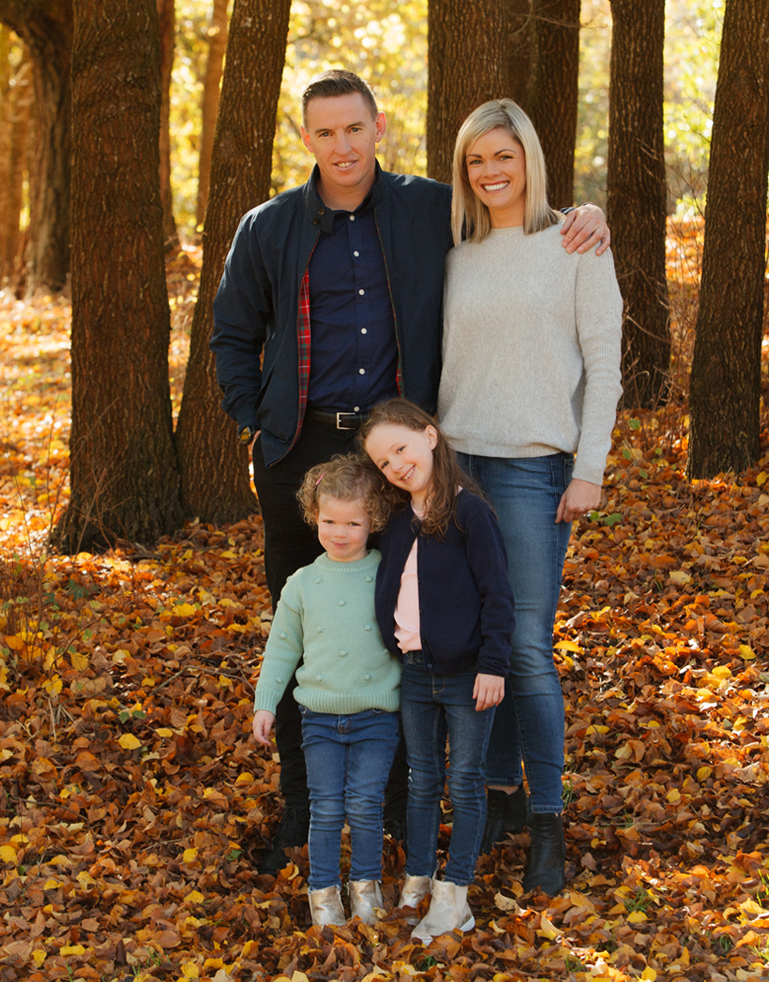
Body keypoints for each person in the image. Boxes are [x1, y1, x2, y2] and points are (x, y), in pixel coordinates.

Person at [210, 68, 609, 874]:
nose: (341, 145)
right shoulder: (269, 227)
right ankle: (301, 803)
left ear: (378, 127)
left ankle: (403, 800)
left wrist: (586, 217)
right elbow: (230, 336)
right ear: (306, 138)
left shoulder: (429, 210)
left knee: (405, 625)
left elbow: (513, 214)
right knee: (309, 624)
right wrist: (259, 420)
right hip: (300, 455)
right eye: (324, 132)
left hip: (399, 461)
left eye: (354, 129)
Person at [438, 99, 623, 896]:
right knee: (480, 642)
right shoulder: (452, 250)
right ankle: (501, 800)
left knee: (525, 649)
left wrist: (591, 467)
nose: (491, 172)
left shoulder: (575, 242)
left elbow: (606, 365)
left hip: (532, 468)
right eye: (476, 160)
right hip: (456, 467)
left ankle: (548, 819)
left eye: (503, 156)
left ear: (530, 158)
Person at [360, 398, 513, 944]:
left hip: (469, 673)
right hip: (416, 674)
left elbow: (498, 594)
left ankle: (455, 895)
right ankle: (419, 882)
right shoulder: (399, 525)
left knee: (465, 781)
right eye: (383, 462)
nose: (396, 465)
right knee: (421, 780)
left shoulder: (469, 512)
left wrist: (494, 664)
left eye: (400, 448)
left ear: (430, 436)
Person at [250, 455, 400, 928]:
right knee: (326, 806)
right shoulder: (301, 584)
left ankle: (365, 885)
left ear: (373, 520)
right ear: (314, 516)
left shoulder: (388, 575)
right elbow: (280, 650)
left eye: (353, 522)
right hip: (318, 718)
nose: (340, 532)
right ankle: (322, 893)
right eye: (329, 520)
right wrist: (265, 703)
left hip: (377, 714)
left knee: (365, 803)